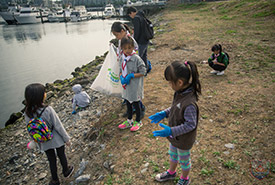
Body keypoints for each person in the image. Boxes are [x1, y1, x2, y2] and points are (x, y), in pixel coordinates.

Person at [149, 61, 201, 185]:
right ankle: (171, 173)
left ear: (180, 82)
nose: (169, 85)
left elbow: (190, 125)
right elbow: (175, 107)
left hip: (183, 140)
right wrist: (165, 113)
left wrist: (171, 130)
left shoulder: (189, 104)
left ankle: (184, 179)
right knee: (173, 155)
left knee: (184, 160)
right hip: (174, 137)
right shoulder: (180, 93)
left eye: (170, 82)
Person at [24, 83, 74, 185]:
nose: (45, 94)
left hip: (44, 141)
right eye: (44, 92)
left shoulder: (27, 113)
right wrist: (66, 139)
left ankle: (55, 180)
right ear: (41, 96)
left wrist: (37, 142)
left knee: (51, 159)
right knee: (61, 154)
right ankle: (66, 171)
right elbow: (58, 126)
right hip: (56, 139)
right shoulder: (48, 109)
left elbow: (31, 129)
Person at [111, 21, 146, 118]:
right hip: (125, 67)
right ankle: (130, 110)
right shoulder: (121, 41)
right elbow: (120, 52)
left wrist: (131, 70)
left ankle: (140, 109)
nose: (116, 37)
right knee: (128, 91)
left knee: (135, 93)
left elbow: (135, 52)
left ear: (122, 31)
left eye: (116, 34)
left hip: (131, 69)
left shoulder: (130, 40)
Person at [118, 36, 146, 132]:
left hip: (134, 86)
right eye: (125, 48)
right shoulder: (122, 58)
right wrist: (121, 76)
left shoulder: (136, 58)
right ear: (122, 48)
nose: (127, 50)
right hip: (126, 86)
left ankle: (138, 121)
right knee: (128, 103)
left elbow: (143, 71)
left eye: (129, 48)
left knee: (136, 103)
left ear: (133, 47)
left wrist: (131, 75)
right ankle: (129, 120)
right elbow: (120, 70)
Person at [127, 6, 150, 72]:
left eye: (129, 14)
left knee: (138, 57)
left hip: (141, 40)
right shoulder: (142, 15)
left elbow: (137, 32)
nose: (130, 16)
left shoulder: (136, 18)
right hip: (146, 38)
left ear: (131, 13)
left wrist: (134, 41)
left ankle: (141, 71)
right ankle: (145, 70)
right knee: (144, 56)